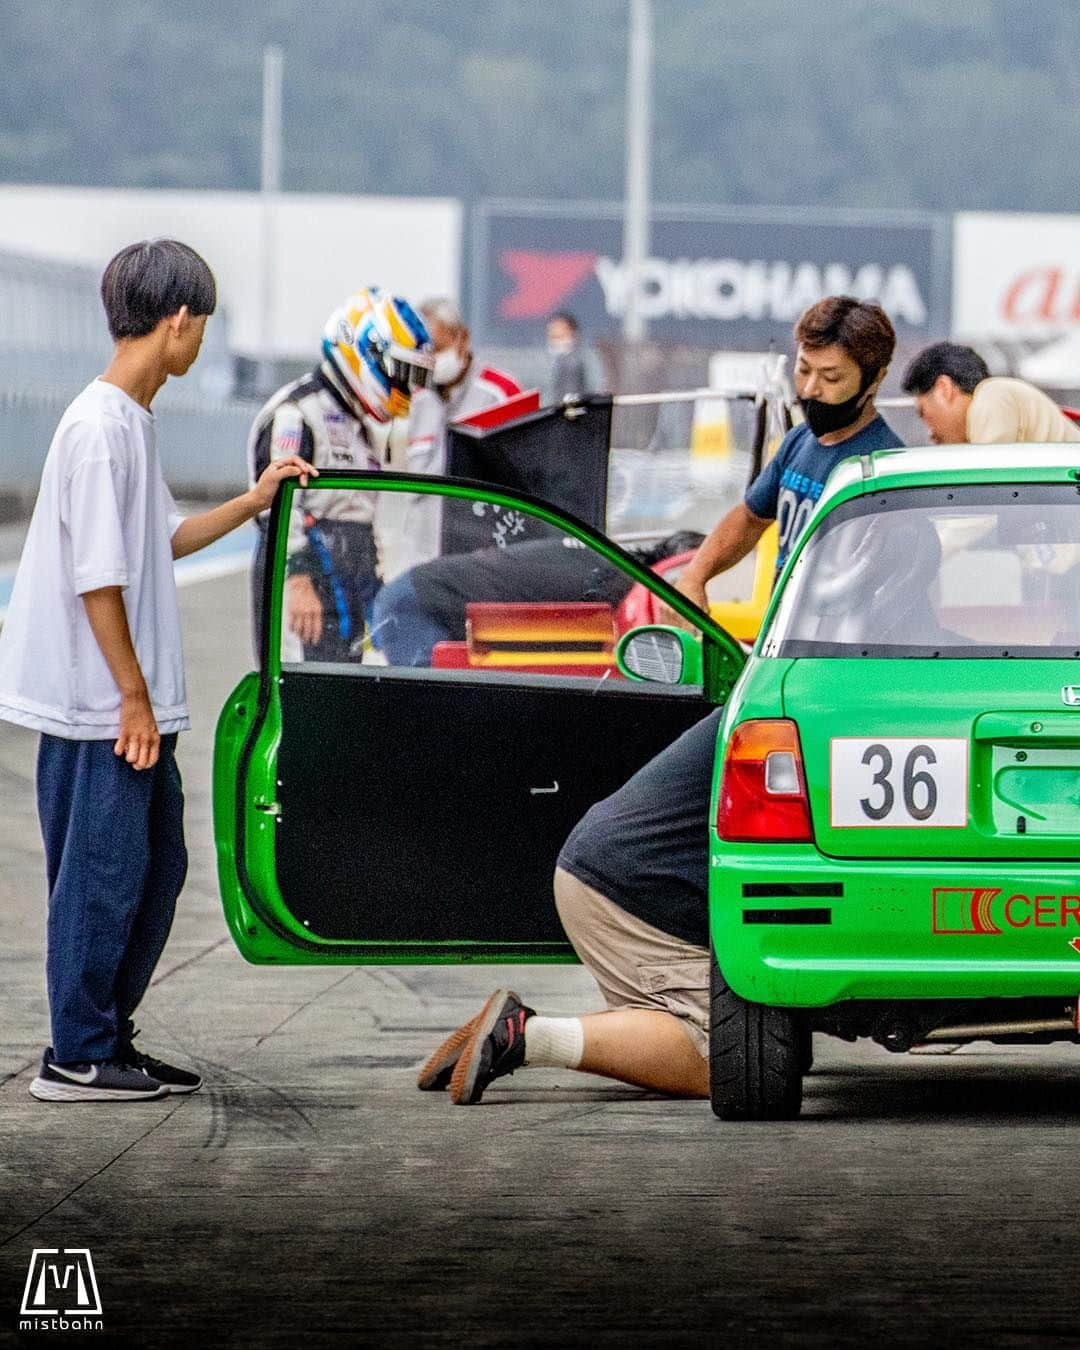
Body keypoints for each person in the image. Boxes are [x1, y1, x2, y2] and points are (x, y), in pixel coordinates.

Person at [417, 296, 905, 1105]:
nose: (812, 389)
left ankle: (532, 1031)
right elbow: (748, 516)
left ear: (874, 379)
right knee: (729, 1055)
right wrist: (697, 572)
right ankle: (524, 1036)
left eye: (832, 379)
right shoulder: (802, 442)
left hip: (777, 714)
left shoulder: (874, 478)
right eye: (804, 371)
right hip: (624, 869)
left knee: (750, 1033)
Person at [0, 239, 315, 1102]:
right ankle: (75, 1055)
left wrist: (252, 505)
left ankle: (106, 1037)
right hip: (99, 707)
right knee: (99, 878)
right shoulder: (100, 428)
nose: (201, 342)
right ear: (177, 321)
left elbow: (158, 542)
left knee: (152, 866)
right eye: (203, 326)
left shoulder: (132, 422)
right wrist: (132, 700)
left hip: (126, 706)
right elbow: (96, 579)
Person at [248, 289, 434, 661]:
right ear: (366, 351)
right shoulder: (298, 412)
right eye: (401, 373)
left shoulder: (358, 423)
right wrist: (298, 580)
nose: (405, 390)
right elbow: (273, 508)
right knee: (299, 694)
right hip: (308, 577)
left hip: (350, 576)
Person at [376, 296, 522, 585]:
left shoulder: (501, 392)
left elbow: (524, 483)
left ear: (462, 339)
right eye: (424, 354)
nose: (431, 362)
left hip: (480, 570)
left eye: (438, 350)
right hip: (420, 568)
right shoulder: (416, 401)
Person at [901, 341, 1080, 446]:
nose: (930, 434)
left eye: (923, 412)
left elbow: (983, 485)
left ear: (943, 389)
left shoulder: (993, 395)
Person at [546, 311, 595, 404]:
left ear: (570, 330)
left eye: (558, 328)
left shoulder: (579, 359)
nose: (552, 332)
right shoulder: (552, 358)